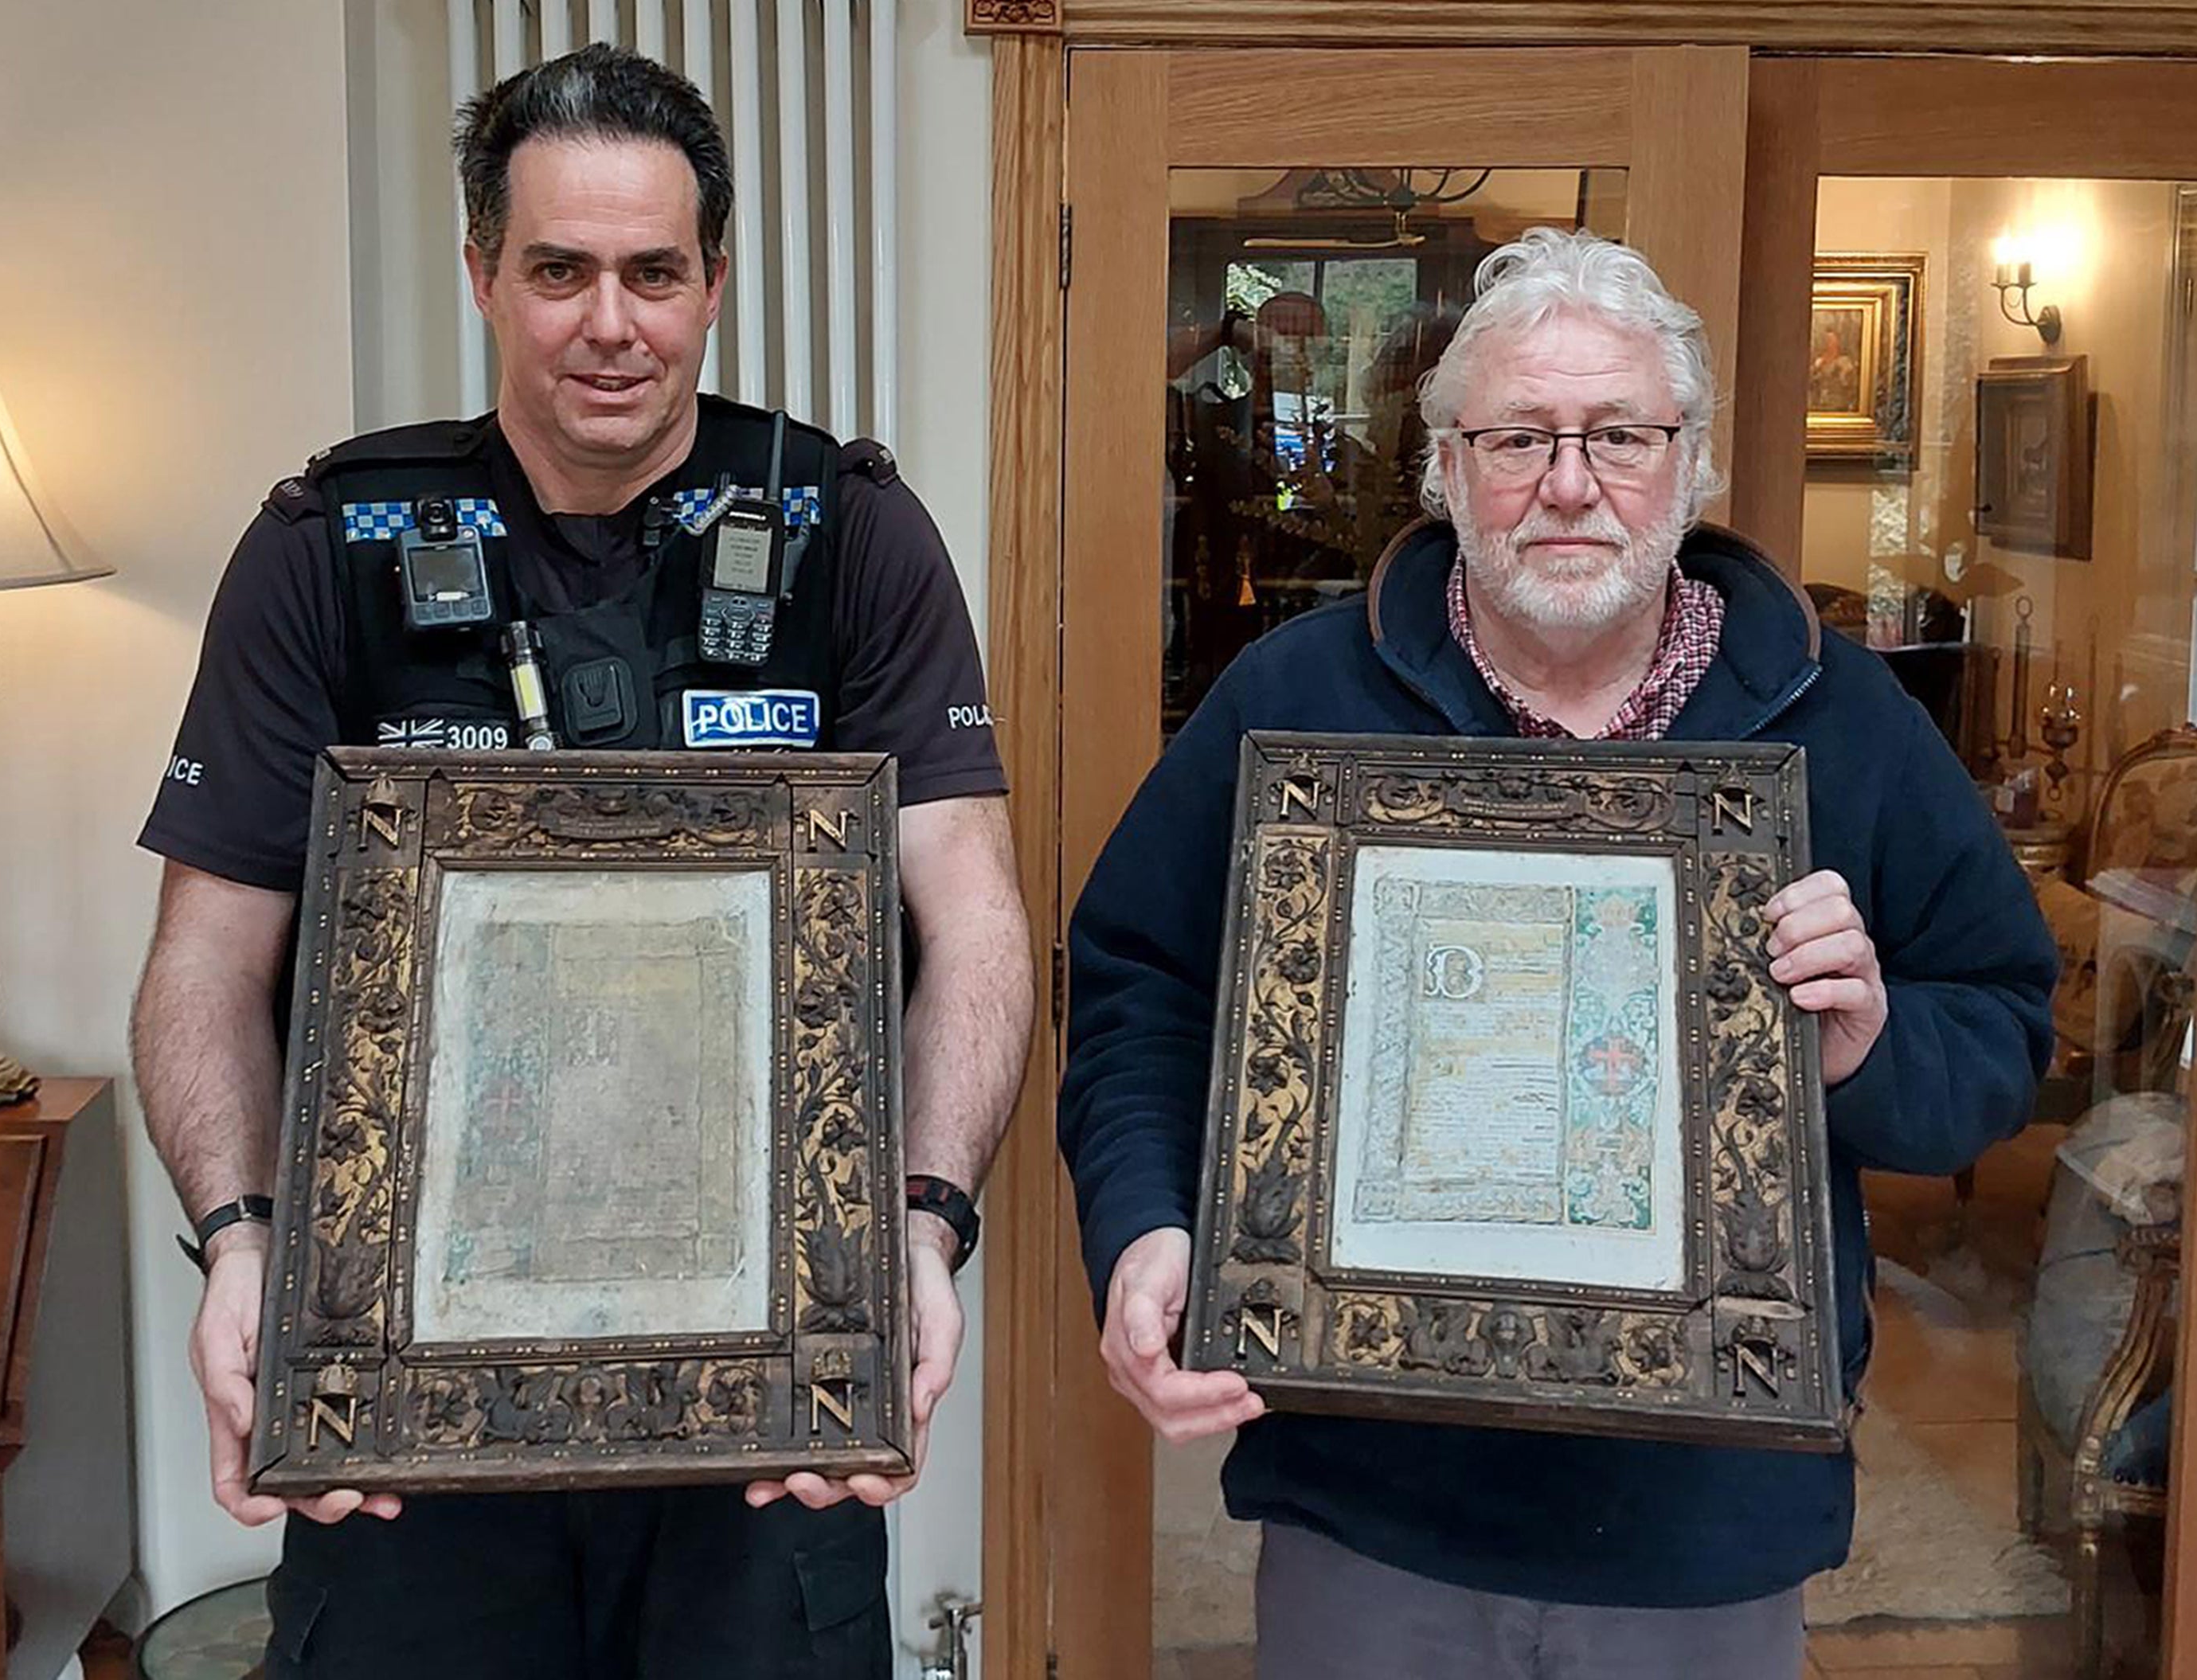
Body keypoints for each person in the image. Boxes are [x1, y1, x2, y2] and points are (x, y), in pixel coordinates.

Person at [131, 44, 1032, 1680]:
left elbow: (969, 916)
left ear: (714, 281)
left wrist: (919, 1224)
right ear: (483, 271)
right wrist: (246, 1242)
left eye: (652, 271)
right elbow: (204, 959)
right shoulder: (329, 546)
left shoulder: (852, 536)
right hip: (405, 1402)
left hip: (768, 1397)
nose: (609, 322)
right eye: (558, 270)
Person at [1057, 229, 2055, 1680]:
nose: (1570, 482)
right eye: (1519, 435)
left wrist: (1868, 1048)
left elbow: (2005, 1022)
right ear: (1446, 467)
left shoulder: (1841, 719)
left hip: (1703, 1520)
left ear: (1692, 460)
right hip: (1376, 1504)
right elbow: (1144, 981)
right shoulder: (1300, 701)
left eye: (1621, 435)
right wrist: (1148, 1223)